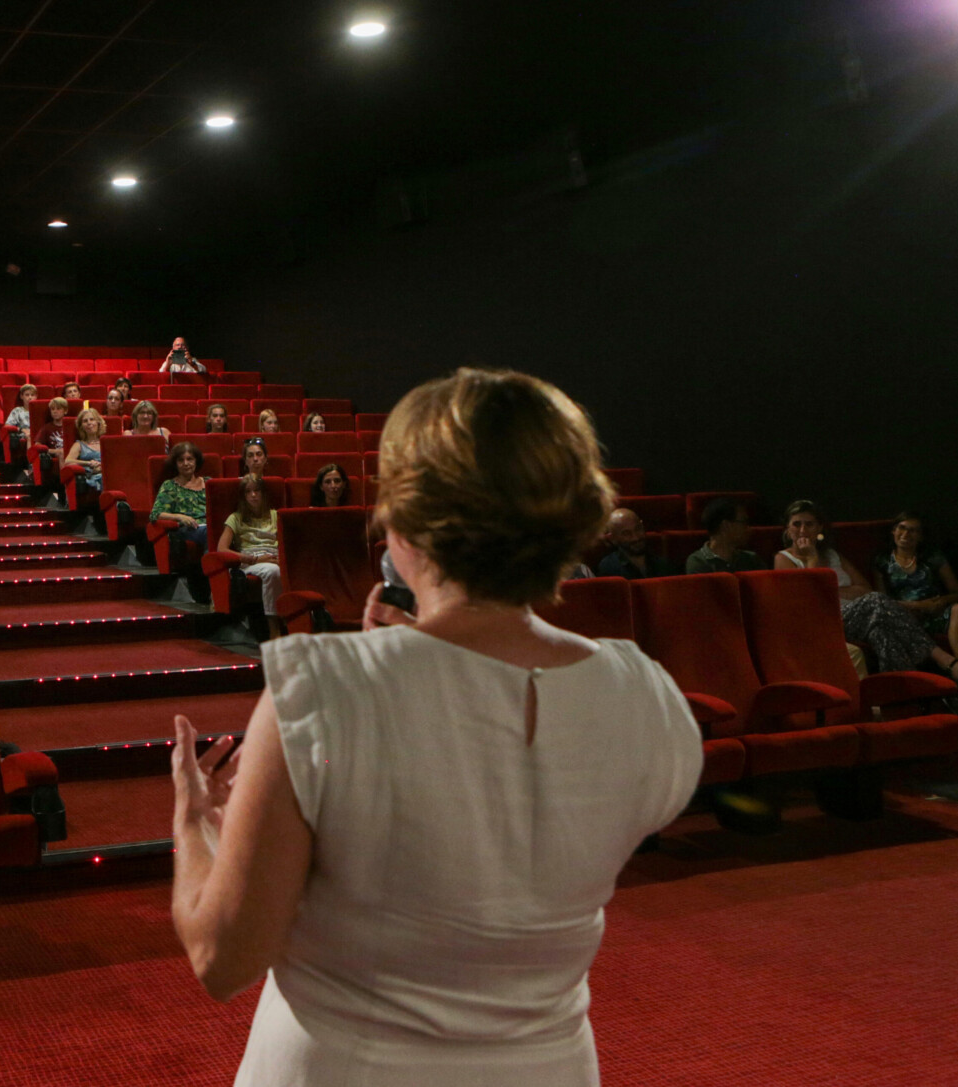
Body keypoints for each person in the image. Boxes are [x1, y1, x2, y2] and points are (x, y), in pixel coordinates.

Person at [169, 367, 700, 1086]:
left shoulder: (322, 687)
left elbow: (222, 958)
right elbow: (513, 811)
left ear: (407, 522)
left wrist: (196, 827)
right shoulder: (648, 693)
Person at [775, 500, 958, 680]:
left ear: (819, 528)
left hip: (859, 615)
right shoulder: (783, 559)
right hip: (825, 620)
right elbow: (807, 598)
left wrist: (831, 590)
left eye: (809, 524)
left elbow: (864, 588)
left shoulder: (832, 554)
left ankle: (904, 692)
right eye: (796, 524)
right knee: (876, 600)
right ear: (788, 529)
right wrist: (811, 558)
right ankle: (943, 658)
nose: (802, 530)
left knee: (881, 632)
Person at [877, 510, 958, 678]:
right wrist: (917, 606)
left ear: (921, 536)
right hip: (903, 616)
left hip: (935, 611)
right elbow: (880, 600)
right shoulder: (882, 561)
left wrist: (940, 602)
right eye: (902, 528)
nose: (906, 534)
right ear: (893, 531)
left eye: (913, 530)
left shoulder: (932, 557)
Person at [217, 474, 282, 618]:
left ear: (263, 493)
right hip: (250, 560)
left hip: (274, 556)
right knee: (273, 571)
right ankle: (273, 625)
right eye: (248, 491)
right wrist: (254, 559)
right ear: (243, 496)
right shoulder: (235, 517)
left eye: (257, 490)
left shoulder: (275, 515)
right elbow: (221, 549)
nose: (253, 495)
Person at [151, 442, 209, 586]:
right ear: (175, 463)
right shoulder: (170, 485)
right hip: (187, 528)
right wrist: (179, 517)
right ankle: (210, 576)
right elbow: (156, 514)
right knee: (211, 532)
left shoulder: (209, 483)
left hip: (210, 524)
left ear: (196, 461)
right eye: (181, 460)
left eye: (190, 459)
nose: (186, 463)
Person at [595, 508, 676, 579]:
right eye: (626, 533)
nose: (636, 537)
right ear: (613, 538)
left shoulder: (663, 564)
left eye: (638, 529)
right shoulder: (608, 567)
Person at [685, 498, 763, 573]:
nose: (748, 528)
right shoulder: (699, 562)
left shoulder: (751, 559)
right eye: (744, 522)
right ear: (726, 526)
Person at [64, 408, 107, 497]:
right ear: (81, 426)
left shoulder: (106, 442)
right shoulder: (79, 444)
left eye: (92, 419)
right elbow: (68, 462)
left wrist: (103, 468)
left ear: (98, 423)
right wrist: (88, 463)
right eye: (85, 421)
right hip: (91, 476)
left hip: (106, 473)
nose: (89, 423)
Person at [33, 397, 69, 492]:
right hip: (56, 453)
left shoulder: (71, 426)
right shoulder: (47, 428)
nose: (55, 412)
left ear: (65, 411)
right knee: (61, 453)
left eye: (58, 409)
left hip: (71, 453)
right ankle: (65, 486)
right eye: (52, 409)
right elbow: (37, 445)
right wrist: (54, 451)